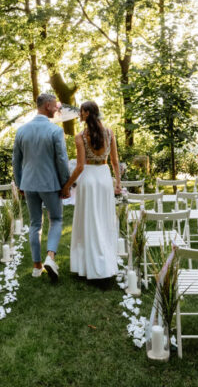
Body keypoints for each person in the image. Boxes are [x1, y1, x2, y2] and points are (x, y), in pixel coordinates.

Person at [12, 93, 71, 281]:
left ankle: (37, 267)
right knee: (56, 219)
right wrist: (65, 184)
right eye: (55, 106)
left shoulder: (21, 131)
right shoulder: (55, 131)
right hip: (50, 184)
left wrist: (20, 182)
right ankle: (50, 257)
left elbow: (16, 161)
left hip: (28, 184)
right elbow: (62, 160)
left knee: (35, 224)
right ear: (47, 106)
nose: (57, 110)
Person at [63, 100, 121, 281]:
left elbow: (80, 167)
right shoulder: (110, 133)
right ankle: (105, 264)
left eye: (81, 112)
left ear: (87, 113)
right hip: (104, 178)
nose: (79, 115)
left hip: (88, 179)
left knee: (88, 222)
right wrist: (118, 183)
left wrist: (66, 185)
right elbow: (115, 162)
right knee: (104, 221)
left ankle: (89, 266)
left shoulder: (80, 137)